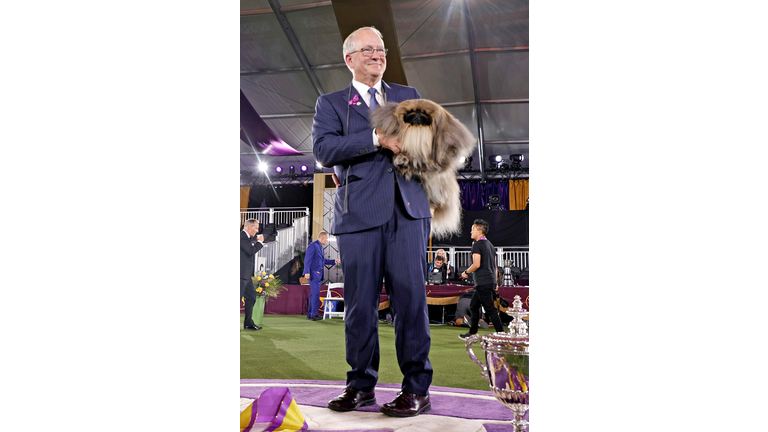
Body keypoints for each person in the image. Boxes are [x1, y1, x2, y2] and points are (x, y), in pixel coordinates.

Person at [312, 26, 433, 417]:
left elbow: (428, 143)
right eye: (368, 50)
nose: (378, 55)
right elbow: (324, 149)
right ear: (349, 58)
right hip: (359, 216)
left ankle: (416, 389)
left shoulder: (409, 96)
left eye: (381, 50)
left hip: (408, 212)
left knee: (411, 302)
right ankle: (360, 386)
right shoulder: (331, 104)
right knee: (360, 306)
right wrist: (376, 140)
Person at [458, 219, 504, 339]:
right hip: (489, 281)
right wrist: (495, 282)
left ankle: (502, 334)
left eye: (473, 229)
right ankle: (472, 333)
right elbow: (495, 266)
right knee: (474, 305)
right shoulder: (490, 245)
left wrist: (465, 272)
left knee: (490, 309)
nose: (470, 232)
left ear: (479, 231)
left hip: (483, 282)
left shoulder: (477, 245)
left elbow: (476, 264)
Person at [303, 231, 340, 321]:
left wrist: (333, 261)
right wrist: (306, 272)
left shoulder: (320, 247)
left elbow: (322, 261)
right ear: (322, 238)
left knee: (314, 295)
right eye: (326, 238)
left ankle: (310, 314)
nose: (327, 240)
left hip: (317, 274)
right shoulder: (313, 245)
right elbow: (307, 259)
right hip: (314, 274)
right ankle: (314, 314)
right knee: (315, 295)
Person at [241, 219, 265, 330]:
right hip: (240, 274)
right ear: (249, 227)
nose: (257, 231)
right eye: (256, 228)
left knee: (251, 297)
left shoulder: (247, 238)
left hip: (246, 275)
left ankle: (248, 323)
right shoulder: (241, 236)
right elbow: (250, 251)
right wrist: (260, 243)